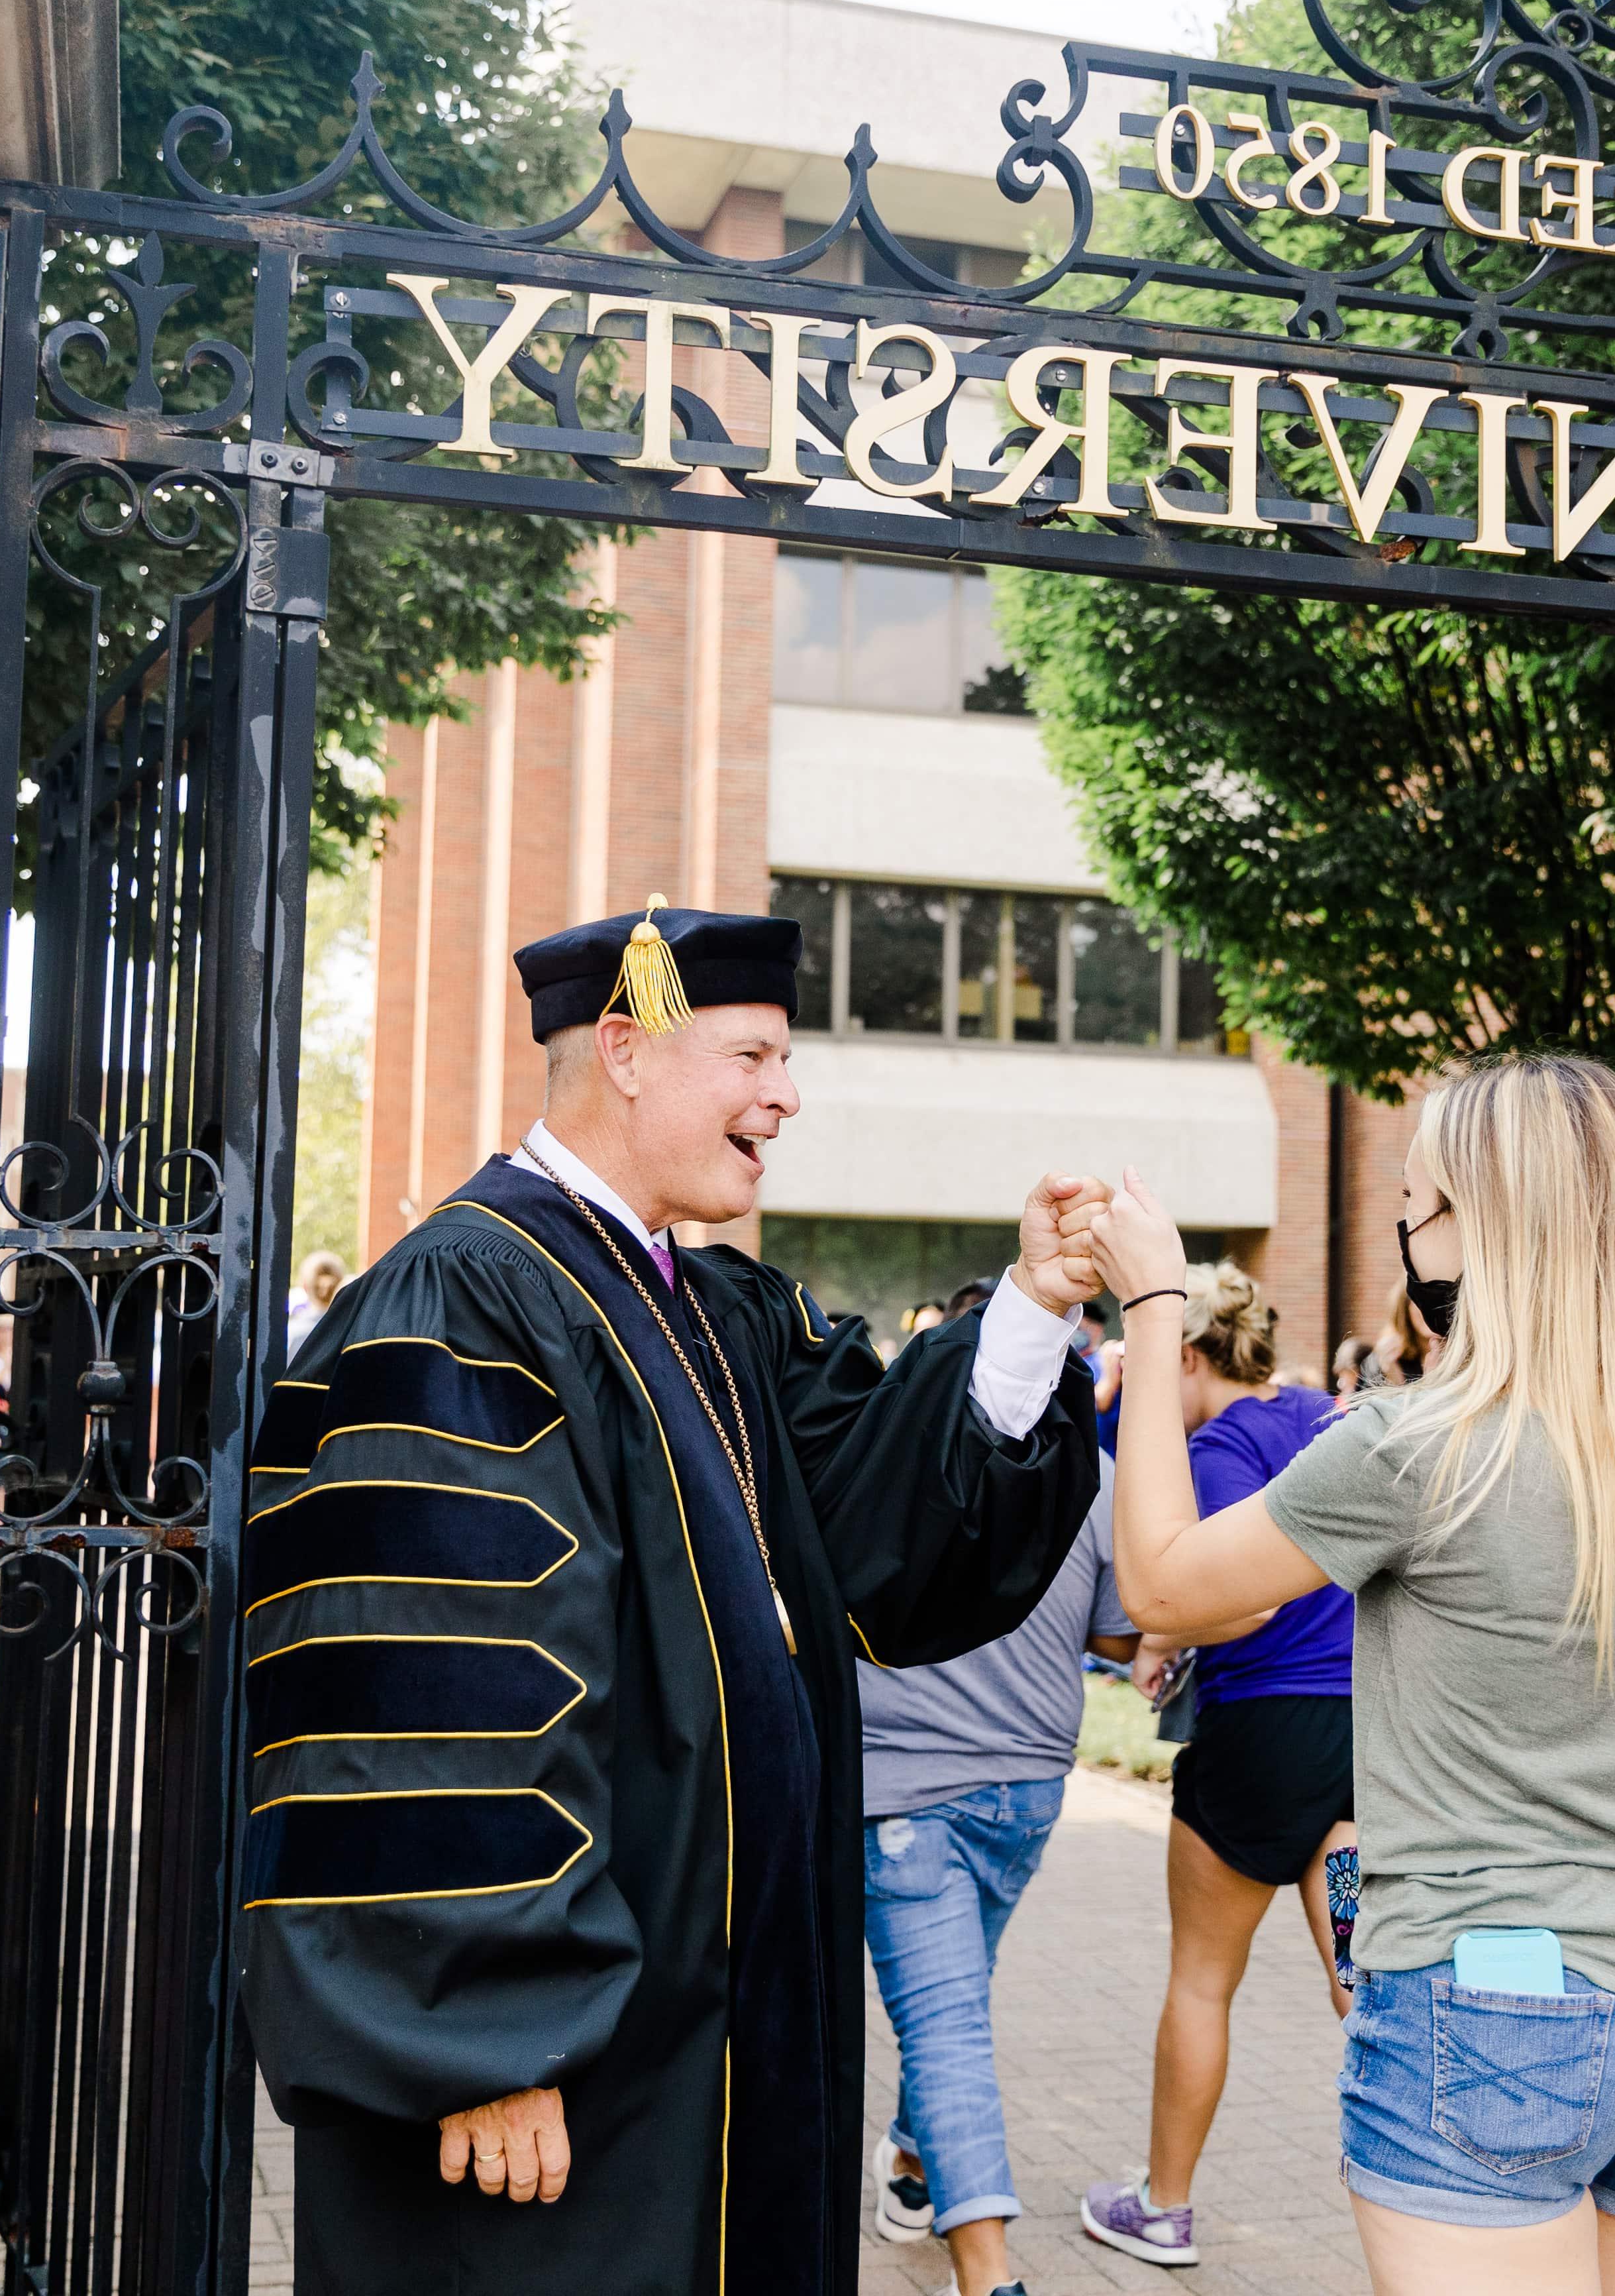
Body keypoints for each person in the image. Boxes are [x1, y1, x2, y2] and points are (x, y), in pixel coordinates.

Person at [237, 898, 1110, 2296]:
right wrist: (486, 2037)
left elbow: (887, 1523)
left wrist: (1029, 1309)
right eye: (754, 1055)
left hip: (701, 2039)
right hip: (552, 2078)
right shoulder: (466, 1300)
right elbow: (424, 1701)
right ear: (630, 1054)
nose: (788, 1094)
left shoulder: (709, 1309)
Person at [1094, 1058, 1615, 2293]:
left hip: (1485, 2012)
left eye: (1420, 1201)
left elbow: (1160, 1586)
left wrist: (1157, 1308)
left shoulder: (1416, 1448)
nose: (1406, 1229)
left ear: (1479, 1232)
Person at [1077, 1265, 1348, 2270]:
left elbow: (1247, 1599)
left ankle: (1164, 2206)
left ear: (1185, 1355)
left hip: (1258, 1741)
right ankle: (1440, 2184)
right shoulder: (1325, 1417)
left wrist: (1170, 1628)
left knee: (1201, 1982)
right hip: (1354, 1744)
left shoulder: (1222, 1444)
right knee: (1359, 1971)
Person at [859, 1478, 1138, 2296]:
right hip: (1025, 1785)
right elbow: (1119, 1636)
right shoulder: (1087, 1466)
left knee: (946, 2024)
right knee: (956, 1998)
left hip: (909, 1787)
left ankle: (989, 2284)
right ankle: (913, 2163)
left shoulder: (876, 1440)